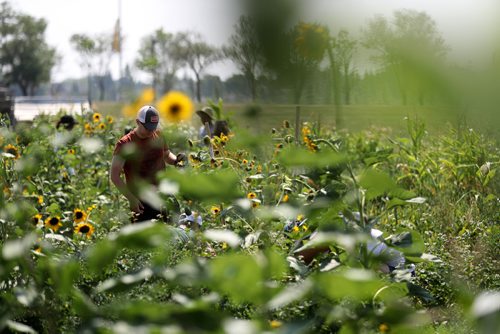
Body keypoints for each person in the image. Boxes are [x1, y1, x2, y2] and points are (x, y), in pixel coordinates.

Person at [110, 105, 185, 223]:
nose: (151, 131)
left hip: (162, 195)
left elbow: (166, 154)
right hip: (141, 201)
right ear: (138, 122)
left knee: (172, 232)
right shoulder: (125, 144)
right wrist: (131, 199)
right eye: (148, 128)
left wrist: (176, 161)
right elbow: (114, 176)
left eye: (154, 127)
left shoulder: (159, 135)